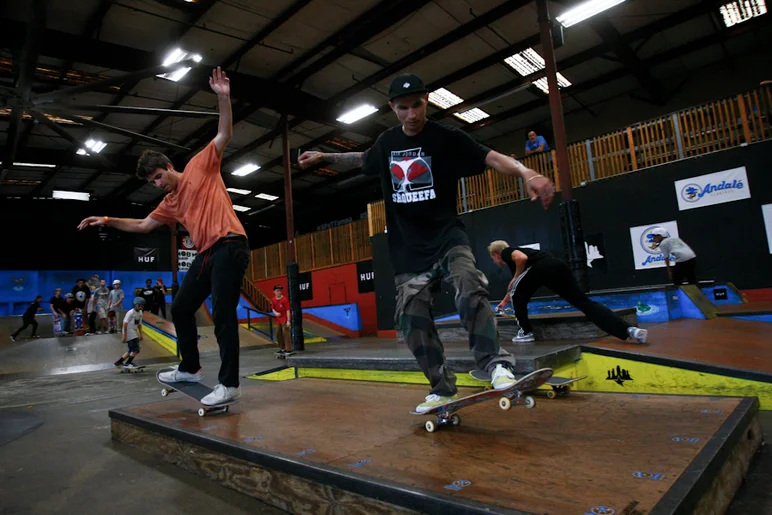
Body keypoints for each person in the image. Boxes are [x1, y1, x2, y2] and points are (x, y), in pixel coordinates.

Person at [297, 73, 556, 413]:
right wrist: (325, 157)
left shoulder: (445, 136)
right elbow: (363, 160)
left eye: (417, 106)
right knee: (410, 317)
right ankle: (442, 387)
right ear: (393, 108)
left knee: (468, 283)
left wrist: (525, 172)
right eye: (403, 108)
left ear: (427, 101)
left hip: (447, 237)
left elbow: (491, 157)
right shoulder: (387, 142)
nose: (412, 115)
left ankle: (496, 366)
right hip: (407, 250)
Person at [78, 67, 250, 406]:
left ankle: (229, 384)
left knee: (224, 316)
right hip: (206, 254)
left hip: (230, 244)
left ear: (170, 166)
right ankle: (190, 368)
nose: (158, 184)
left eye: (159, 176)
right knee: (183, 307)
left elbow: (224, 134)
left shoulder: (202, 165)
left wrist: (223, 98)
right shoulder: (169, 203)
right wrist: (108, 220)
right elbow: (143, 226)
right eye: (152, 182)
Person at [487, 240, 648, 345]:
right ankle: (629, 331)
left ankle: (525, 332)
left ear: (496, 255)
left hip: (542, 269)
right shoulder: (519, 259)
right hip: (557, 267)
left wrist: (514, 279)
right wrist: (505, 300)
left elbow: (521, 260)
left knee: (518, 294)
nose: (494, 261)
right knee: (584, 303)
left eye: (493, 258)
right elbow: (517, 288)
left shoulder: (507, 252)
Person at [114, 297, 145, 369]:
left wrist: (141, 334)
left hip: (133, 331)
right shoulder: (130, 312)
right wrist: (124, 336)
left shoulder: (140, 313)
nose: (140, 307)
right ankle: (128, 363)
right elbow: (125, 324)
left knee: (131, 349)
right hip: (128, 331)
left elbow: (139, 324)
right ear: (135, 305)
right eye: (139, 305)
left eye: (142, 306)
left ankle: (118, 362)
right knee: (136, 348)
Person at [270, 285, 292, 356]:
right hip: (278, 319)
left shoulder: (284, 300)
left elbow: (288, 310)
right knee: (278, 333)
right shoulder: (273, 299)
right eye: (277, 291)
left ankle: (288, 349)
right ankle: (282, 348)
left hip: (284, 318)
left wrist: (288, 321)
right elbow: (273, 308)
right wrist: (275, 313)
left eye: (280, 291)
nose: (279, 292)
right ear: (274, 292)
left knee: (285, 332)